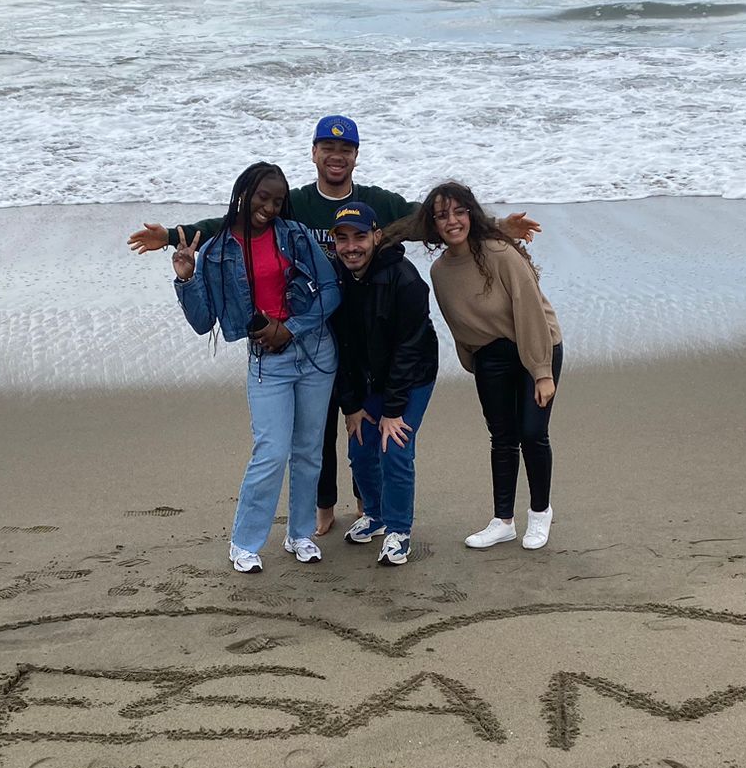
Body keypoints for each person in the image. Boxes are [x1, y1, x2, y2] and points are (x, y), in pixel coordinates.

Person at [130, 116, 539, 536]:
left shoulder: (378, 201)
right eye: (327, 148)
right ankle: (324, 504)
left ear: (356, 157)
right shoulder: (297, 204)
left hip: (367, 327)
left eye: (345, 150)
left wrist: (496, 227)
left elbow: (434, 220)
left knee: (362, 418)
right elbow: (235, 223)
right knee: (319, 426)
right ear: (314, 154)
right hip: (313, 327)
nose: (336, 156)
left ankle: (368, 505)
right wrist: (173, 235)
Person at [172, 162, 341, 573]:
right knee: (271, 451)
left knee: (308, 451)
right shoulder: (217, 250)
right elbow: (201, 322)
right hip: (269, 362)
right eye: (262, 196)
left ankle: (299, 534)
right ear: (244, 193)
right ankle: (244, 543)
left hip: (316, 352)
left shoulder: (295, 236)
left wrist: (292, 328)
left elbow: (331, 291)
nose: (269, 206)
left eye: (278, 200)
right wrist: (187, 277)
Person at [406, 180, 563, 552]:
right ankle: (503, 521)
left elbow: (529, 312)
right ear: (433, 224)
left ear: (471, 215)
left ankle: (540, 513)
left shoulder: (499, 252)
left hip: (535, 344)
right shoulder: (440, 272)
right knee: (502, 438)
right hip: (491, 357)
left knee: (531, 432)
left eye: (459, 211)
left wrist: (541, 372)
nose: (453, 221)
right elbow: (460, 326)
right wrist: (478, 364)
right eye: (442, 215)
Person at [327, 199, 438, 567]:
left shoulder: (406, 279)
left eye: (359, 236)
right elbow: (340, 346)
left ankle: (398, 530)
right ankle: (374, 514)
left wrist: (392, 411)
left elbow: (409, 350)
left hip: (412, 374)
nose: (351, 246)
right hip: (367, 376)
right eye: (342, 239)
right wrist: (352, 405)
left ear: (376, 236)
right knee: (360, 446)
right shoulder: (336, 276)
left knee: (395, 446)